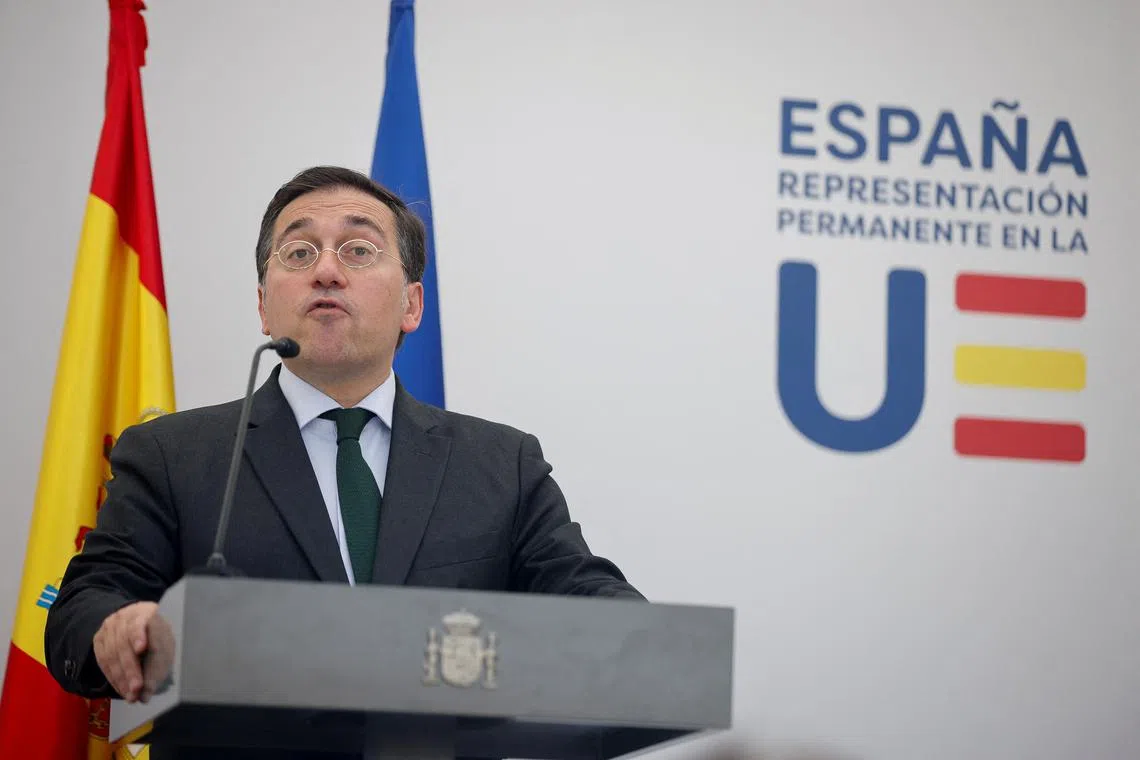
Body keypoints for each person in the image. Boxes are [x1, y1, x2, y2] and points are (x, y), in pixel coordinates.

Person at [44, 165, 643, 757]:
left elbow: (583, 593)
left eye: (358, 250)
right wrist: (116, 627)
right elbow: (82, 607)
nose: (326, 270)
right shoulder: (172, 455)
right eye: (299, 252)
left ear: (412, 305)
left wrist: (643, 639)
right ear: (263, 306)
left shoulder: (501, 464)